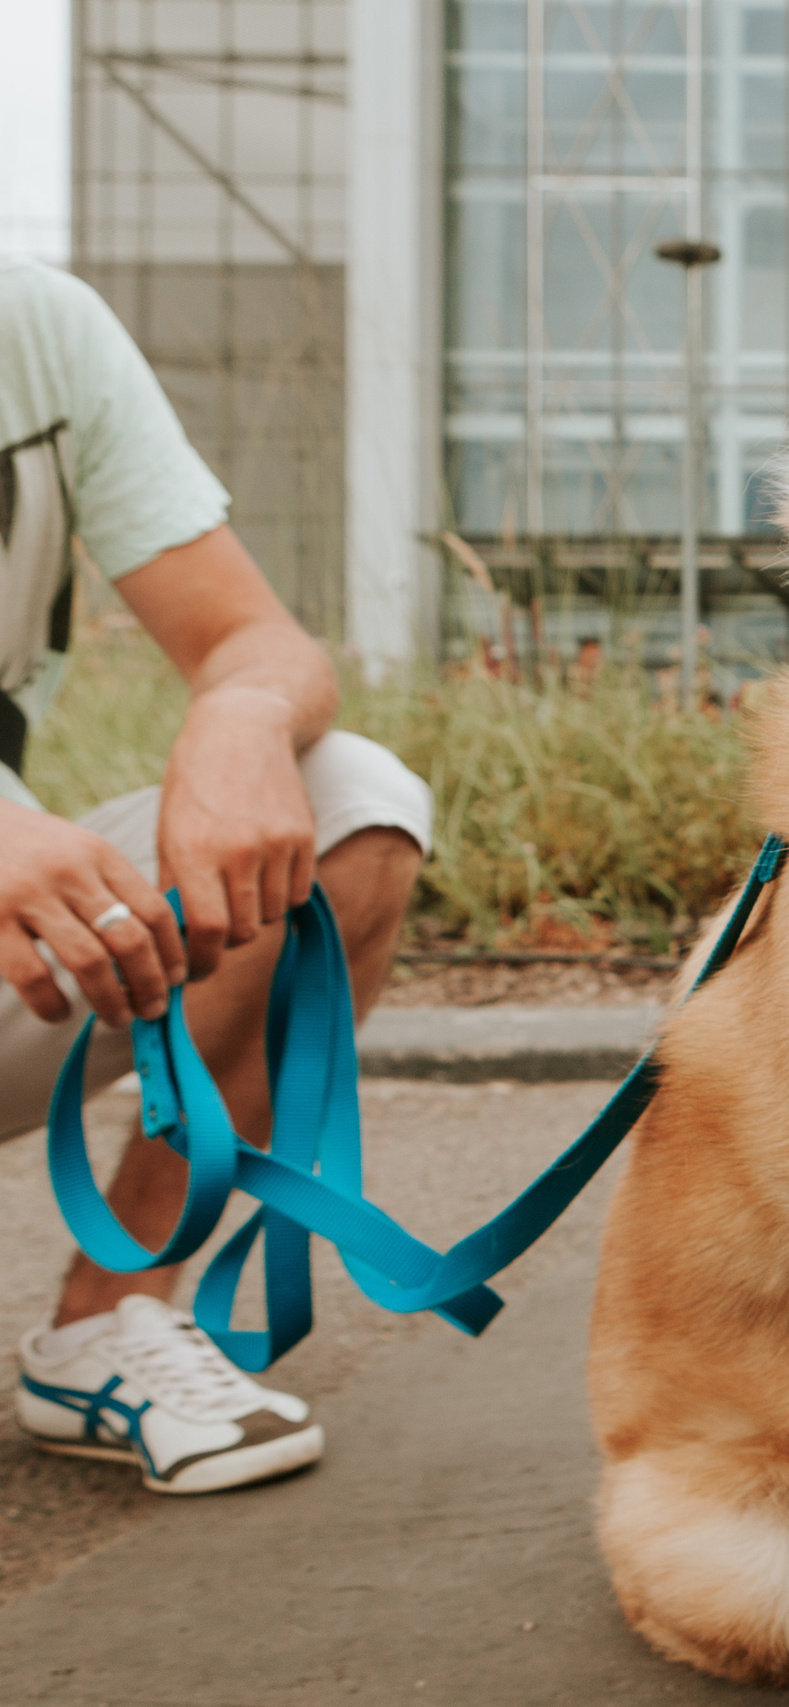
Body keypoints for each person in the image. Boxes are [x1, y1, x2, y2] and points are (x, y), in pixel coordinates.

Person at [1, 256, 432, 1494]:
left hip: (26, 963)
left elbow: (252, 634)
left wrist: (239, 721)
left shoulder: (34, 328)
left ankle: (104, 1325)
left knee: (350, 809)